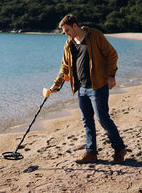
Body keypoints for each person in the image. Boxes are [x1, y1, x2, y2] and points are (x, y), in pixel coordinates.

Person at [51, 14, 127, 164]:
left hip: (98, 86)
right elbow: (65, 66)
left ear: (74, 26)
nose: (65, 33)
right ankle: (91, 152)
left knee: (102, 118)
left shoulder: (95, 36)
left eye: (66, 30)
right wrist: (57, 83)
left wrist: (111, 75)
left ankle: (119, 149)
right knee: (87, 121)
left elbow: (112, 55)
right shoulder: (69, 44)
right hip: (81, 87)